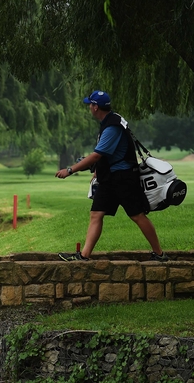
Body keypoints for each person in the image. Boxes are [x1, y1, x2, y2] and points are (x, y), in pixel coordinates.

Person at [55, 90, 168, 262]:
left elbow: (96, 155)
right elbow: (107, 154)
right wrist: (98, 171)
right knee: (96, 214)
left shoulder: (112, 127)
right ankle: (83, 256)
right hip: (110, 179)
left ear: (95, 107)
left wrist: (70, 170)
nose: (89, 107)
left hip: (123, 178)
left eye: (90, 104)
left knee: (137, 215)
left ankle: (159, 254)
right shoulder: (110, 121)